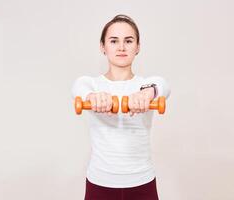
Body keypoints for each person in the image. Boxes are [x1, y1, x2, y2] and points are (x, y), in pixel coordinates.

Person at [71, 14, 171, 200]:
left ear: (138, 47)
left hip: (142, 182)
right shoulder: (91, 85)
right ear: (103, 46)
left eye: (129, 41)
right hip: (100, 183)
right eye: (114, 41)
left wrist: (147, 94)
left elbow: (162, 85)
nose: (122, 47)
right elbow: (79, 87)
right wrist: (93, 97)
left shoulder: (146, 85)